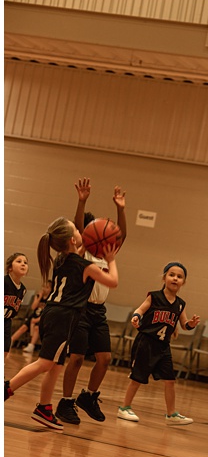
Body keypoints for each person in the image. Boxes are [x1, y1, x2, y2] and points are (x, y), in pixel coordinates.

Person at [3, 217, 119, 431]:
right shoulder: (86, 266)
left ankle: (44, 409)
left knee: (56, 366)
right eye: (77, 229)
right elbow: (113, 281)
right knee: (45, 364)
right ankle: (7, 389)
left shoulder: (61, 260)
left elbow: (80, 246)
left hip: (55, 313)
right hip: (63, 317)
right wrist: (111, 259)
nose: (80, 231)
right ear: (73, 240)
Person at [56, 178, 128, 425]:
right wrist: (81, 201)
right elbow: (79, 225)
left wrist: (121, 208)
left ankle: (88, 397)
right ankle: (65, 402)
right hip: (81, 310)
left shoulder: (107, 251)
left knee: (105, 358)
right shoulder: (83, 251)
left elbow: (122, 235)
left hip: (99, 312)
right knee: (76, 358)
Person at [117, 262, 200, 425]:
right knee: (137, 378)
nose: (175, 278)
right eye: (172, 275)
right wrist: (136, 317)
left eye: (179, 276)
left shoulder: (180, 304)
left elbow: (184, 325)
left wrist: (191, 324)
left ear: (184, 282)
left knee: (170, 380)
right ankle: (124, 408)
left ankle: (171, 414)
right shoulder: (154, 296)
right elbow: (140, 310)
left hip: (163, 346)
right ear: (164, 278)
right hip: (146, 342)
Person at [4, 253, 28, 363]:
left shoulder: (23, 289)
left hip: (7, 321)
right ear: (10, 268)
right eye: (19, 261)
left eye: (25, 262)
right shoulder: (4, 282)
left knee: (5, 348)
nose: (23, 264)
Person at [16, 282, 50, 355]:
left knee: (37, 328)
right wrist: (39, 298)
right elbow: (33, 307)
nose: (44, 289)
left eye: (47, 287)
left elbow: (47, 313)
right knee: (23, 327)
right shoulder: (38, 296)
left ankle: (31, 345)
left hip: (42, 318)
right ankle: (10, 341)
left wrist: (37, 320)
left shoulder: (50, 299)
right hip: (34, 316)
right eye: (43, 286)